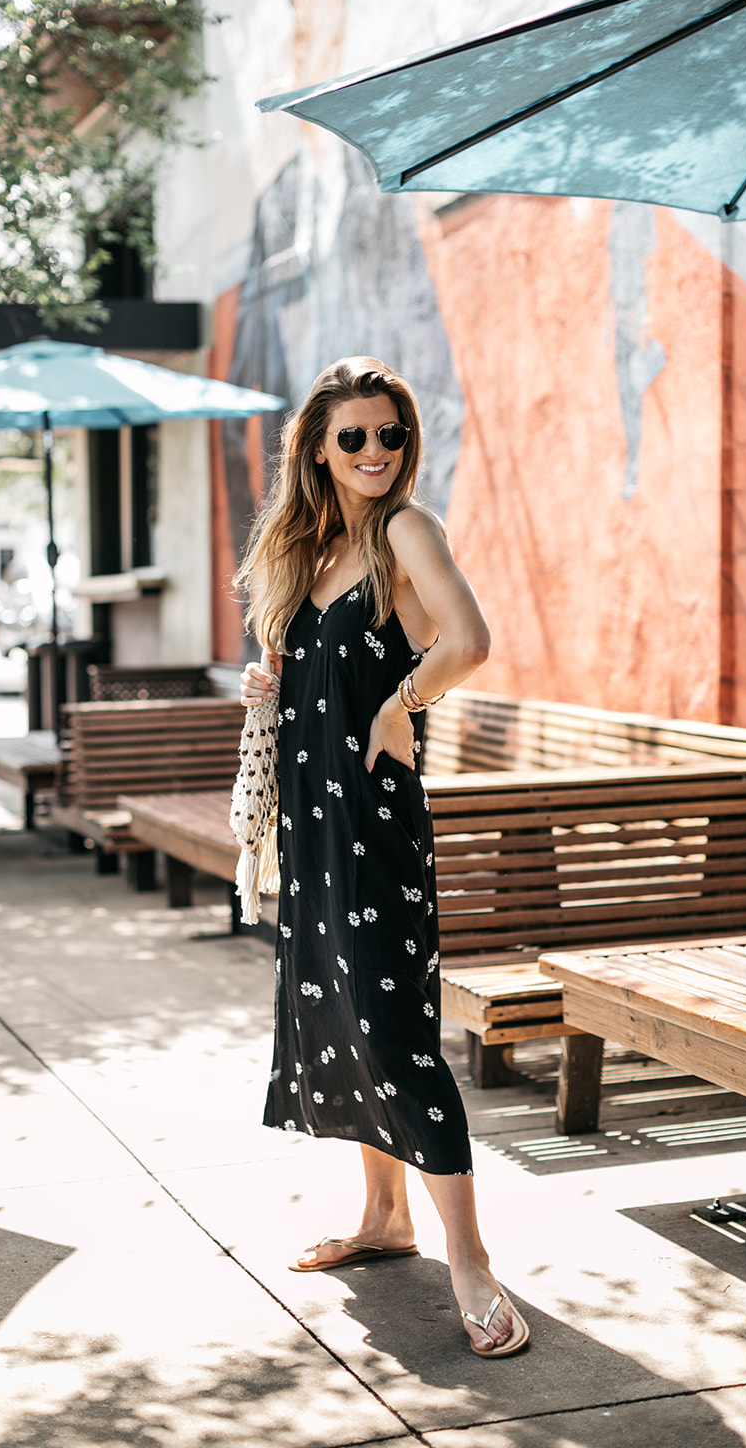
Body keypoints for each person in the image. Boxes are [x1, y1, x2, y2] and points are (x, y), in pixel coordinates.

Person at [237, 356, 530, 1359]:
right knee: (338, 1017)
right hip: (312, 827)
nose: (373, 452)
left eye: (389, 434)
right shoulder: (311, 546)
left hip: (370, 816)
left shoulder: (406, 529)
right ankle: (383, 1218)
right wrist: (270, 683)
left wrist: (403, 702)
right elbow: (313, 672)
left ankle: (470, 1257)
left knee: (392, 1025)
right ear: (317, 446)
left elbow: (471, 639)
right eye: (353, 436)